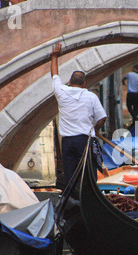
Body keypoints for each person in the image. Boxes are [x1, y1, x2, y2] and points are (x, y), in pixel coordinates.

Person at [51, 43, 107, 184]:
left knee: (70, 175)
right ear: (84, 83)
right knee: (88, 173)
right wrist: (96, 129)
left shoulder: (61, 92)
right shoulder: (91, 96)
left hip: (68, 142)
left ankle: (72, 197)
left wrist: (54, 56)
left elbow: (54, 75)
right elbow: (102, 118)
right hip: (85, 141)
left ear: (69, 82)